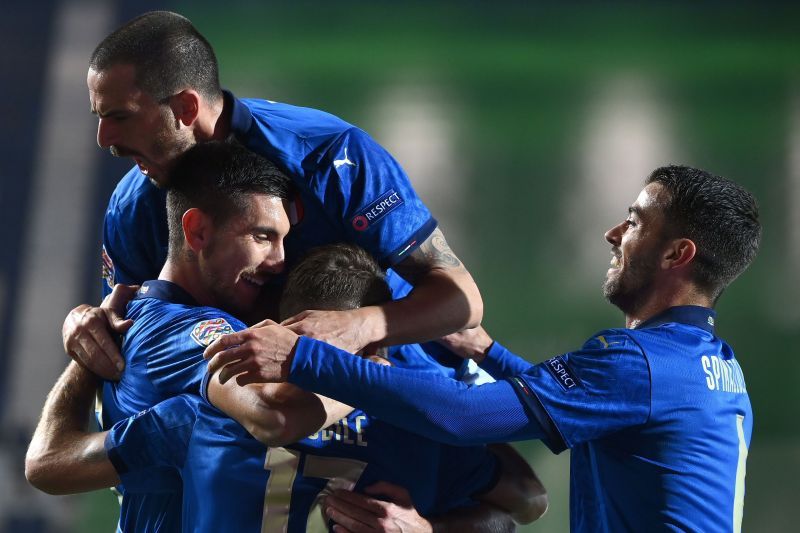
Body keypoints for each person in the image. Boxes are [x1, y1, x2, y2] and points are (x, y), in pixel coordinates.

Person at [206, 165, 761, 532]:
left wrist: (303, 356)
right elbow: (576, 404)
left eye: (636, 222)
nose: (613, 233)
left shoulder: (638, 365)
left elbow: (464, 416)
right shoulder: (713, 367)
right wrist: (487, 350)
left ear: (676, 254)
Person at [63, 10, 482, 380]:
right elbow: (124, 327)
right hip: (253, 415)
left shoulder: (331, 155)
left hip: (393, 383)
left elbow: (461, 299)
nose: (105, 140)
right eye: (100, 118)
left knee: (510, 474)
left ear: (186, 109)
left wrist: (359, 325)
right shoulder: (132, 207)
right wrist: (84, 323)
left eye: (120, 117)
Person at [26, 244, 548, 532]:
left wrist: (87, 352)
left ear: (276, 325)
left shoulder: (200, 410)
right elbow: (523, 501)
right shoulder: (416, 415)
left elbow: (48, 465)